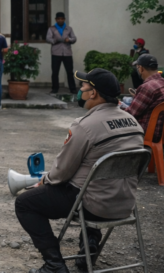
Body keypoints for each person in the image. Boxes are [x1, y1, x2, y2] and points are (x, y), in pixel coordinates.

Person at [15, 69, 144, 273]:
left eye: (83, 86)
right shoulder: (133, 123)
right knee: (91, 181)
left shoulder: (85, 126)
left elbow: (61, 172)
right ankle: (89, 249)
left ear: (93, 93)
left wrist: (43, 181)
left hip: (94, 206)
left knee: (25, 203)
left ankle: (54, 265)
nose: (80, 90)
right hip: (124, 203)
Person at [123, 54, 164, 143]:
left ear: (141, 68)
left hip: (150, 133)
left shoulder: (147, 87)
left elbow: (131, 114)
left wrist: (119, 107)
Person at [46, 12, 77, 95]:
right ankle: (55, 88)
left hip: (67, 53)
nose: (60, 20)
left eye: (62, 19)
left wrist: (69, 40)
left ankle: (73, 89)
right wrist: (55, 40)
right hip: (56, 53)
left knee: (69, 72)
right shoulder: (52, 29)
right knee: (55, 72)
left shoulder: (69, 29)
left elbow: (74, 38)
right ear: (56, 19)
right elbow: (48, 39)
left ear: (64, 19)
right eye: (58, 19)